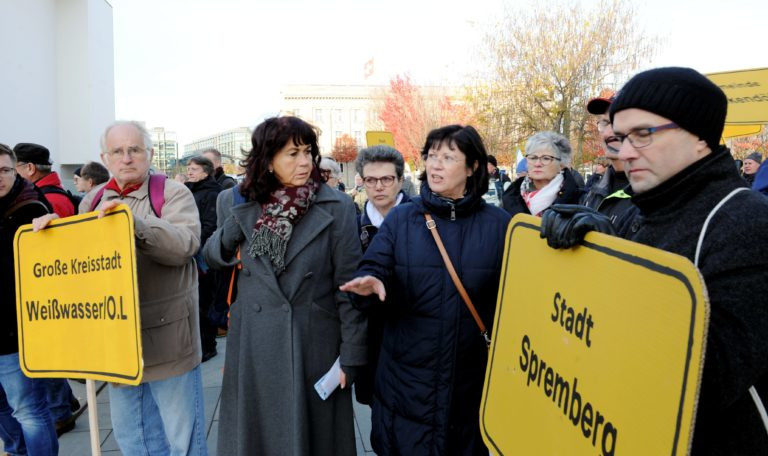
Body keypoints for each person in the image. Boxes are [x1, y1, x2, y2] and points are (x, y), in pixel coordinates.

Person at [541, 67, 768, 454]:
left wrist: (620, 271)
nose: (624, 151)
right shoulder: (650, 211)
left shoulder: (746, 220)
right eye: (621, 137)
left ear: (698, 136)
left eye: (643, 134)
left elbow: (706, 381)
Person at [33, 120, 207, 455]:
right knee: (133, 441)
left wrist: (136, 224)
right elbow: (79, 267)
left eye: (134, 150)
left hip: (170, 342)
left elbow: (185, 245)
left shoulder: (172, 192)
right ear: (105, 157)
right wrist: (53, 237)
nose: (126, 158)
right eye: (117, 151)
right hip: (118, 346)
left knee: (182, 442)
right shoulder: (93, 199)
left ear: (149, 154)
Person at [340, 124, 511, 455]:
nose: (435, 164)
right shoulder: (403, 219)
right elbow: (374, 266)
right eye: (431, 156)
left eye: (448, 157)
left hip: (470, 386)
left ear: (472, 166)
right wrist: (370, 285)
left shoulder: (500, 225)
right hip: (407, 386)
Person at [202, 116, 365, 456]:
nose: (305, 161)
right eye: (293, 153)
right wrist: (236, 224)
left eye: (308, 151)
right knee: (257, 441)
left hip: (312, 346)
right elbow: (213, 257)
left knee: (312, 441)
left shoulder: (337, 206)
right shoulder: (245, 203)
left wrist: (351, 358)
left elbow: (348, 287)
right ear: (268, 160)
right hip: (254, 347)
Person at [13, 142, 79, 435]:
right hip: (53, 290)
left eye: (9, 168)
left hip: (52, 292)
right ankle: (65, 403)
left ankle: (60, 412)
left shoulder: (48, 200)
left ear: (28, 169)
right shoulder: (49, 194)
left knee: (48, 356)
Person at [0, 143, 59, 455]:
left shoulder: (33, 208)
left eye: (5, 170)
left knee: (29, 411)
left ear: (17, 170)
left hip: (18, 333)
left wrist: (53, 229)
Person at [351, 145, 411, 406]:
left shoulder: (423, 220)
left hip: (413, 335)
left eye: (386, 179)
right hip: (371, 340)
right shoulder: (354, 226)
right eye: (370, 180)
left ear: (399, 180)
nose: (378, 186)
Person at [185, 156, 222, 362]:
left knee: (204, 301)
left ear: (206, 172)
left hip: (202, 253)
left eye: (194, 169)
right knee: (196, 301)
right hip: (192, 251)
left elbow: (209, 225)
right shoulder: (190, 190)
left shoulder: (212, 192)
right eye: (189, 168)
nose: (190, 171)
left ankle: (209, 346)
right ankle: (201, 344)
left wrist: (193, 244)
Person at [501, 131, 583, 216]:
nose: (537, 164)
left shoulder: (578, 199)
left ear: (561, 165)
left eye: (546, 158)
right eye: (533, 158)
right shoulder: (511, 195)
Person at [580, 95, 634, 224]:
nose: (608, 133)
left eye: (618, 122)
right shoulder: (594, 190)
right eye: (604, 123)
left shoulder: (654, 194)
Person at [14, 143, 76, 217]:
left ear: (30, 168)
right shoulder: (52, 194)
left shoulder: (47, 201)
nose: (11, 174)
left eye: (13, 168)